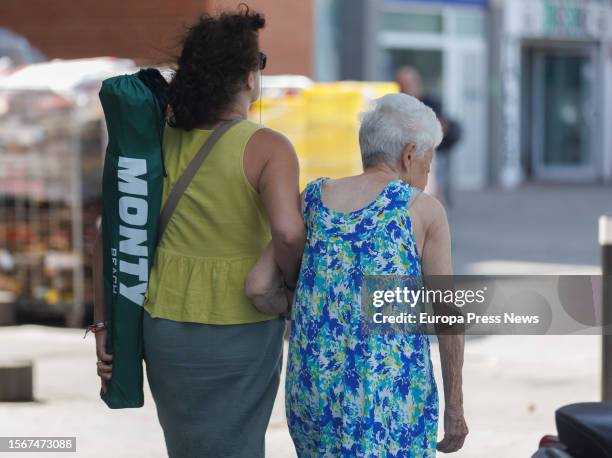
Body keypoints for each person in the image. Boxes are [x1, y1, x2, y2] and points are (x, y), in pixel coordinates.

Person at [92, 7, 305, 458]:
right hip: (243, 325)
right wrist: (288, 289)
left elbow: (108, 232)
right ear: (249, 77)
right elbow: (288, 233)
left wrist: (104, 323)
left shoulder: (156, 140)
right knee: (239, 446)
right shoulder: (268, 147)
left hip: (164, 325)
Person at [248, 93, 468, 456]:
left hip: (313, 391)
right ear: (409, 155)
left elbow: (257, 287)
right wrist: (455, 409)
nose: (426, 176)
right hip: (389, 402)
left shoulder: (314, 198)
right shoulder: (422, 210)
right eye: (427, 165)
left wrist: (304, 304)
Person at [396, 66, 462, 208]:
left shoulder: (430, 102)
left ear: (416, 84)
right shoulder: (396, 105)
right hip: (404, 154)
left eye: (406, 85)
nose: (403, 89)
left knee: (433, 180)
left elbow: (442, 126)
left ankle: (434, 208)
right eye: (400, 85)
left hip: (431, 152)